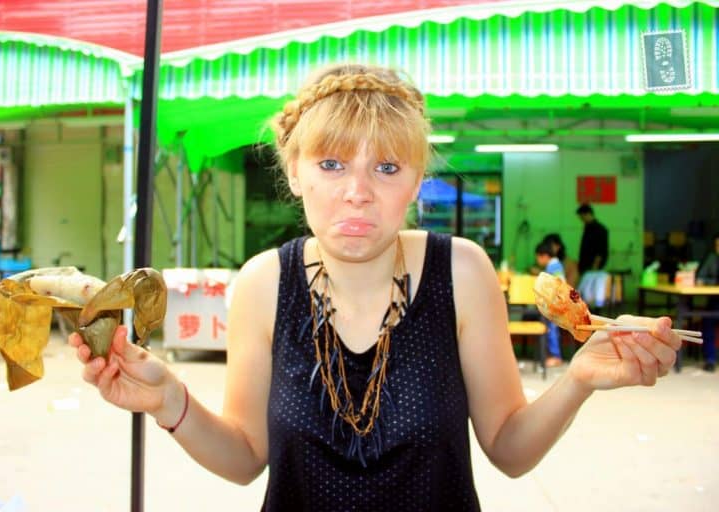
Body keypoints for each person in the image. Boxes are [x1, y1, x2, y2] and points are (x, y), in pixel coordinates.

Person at [70, 64, 682, 511]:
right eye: (332, 164)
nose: (357, 191)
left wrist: (577, 379)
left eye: (386, 167)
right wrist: (167, 399)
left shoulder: (461, 272)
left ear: (416, 180)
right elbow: (244, 459)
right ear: (295, 170)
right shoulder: (263, 283)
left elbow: (509, 450)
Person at [535, 241, 565, 367]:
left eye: (538, 257)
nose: (537, 261)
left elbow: (558, 284)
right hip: (555, 303)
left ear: (545, 256)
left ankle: (556, 356)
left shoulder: (553, 267)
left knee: (552, 329)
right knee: (552, 329)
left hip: (555, 303)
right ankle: (553, 354)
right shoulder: (556, 265)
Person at [696, 232, 719, 372]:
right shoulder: (712, 258)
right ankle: (710, 359)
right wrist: (714, 282)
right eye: (717, 245)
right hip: (715, 301)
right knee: (708, 321)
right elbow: (700, 279)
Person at [576, 204, 608, 276]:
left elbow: (600, 251)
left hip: (593, 268)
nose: (582, 220)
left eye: (582, 217)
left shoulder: (600, 230)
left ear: (588, 214)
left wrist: (595, 267)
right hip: (585, 267)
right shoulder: (587, 228)